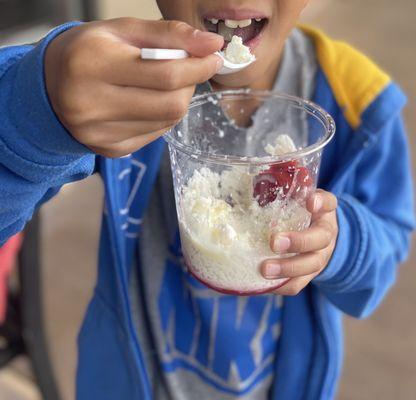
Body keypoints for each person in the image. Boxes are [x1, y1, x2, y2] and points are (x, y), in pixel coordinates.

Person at [0, 1, 414, 399]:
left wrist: (338, 242)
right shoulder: (123, 84)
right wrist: (37, 108)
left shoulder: (359, 102)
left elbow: (382, 260)